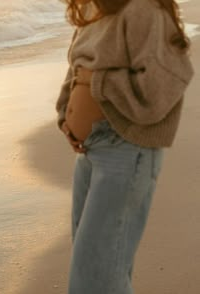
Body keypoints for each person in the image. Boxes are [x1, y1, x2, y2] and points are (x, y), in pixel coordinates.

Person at [55, 0, 194, 293]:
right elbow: (77, 68)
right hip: (91, 149)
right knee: (95, 272)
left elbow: (168, 80)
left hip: (125, 150)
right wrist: (66, 117)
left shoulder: (142, 9)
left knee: (95, 279)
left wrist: (100, 84)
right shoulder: (94, 9)